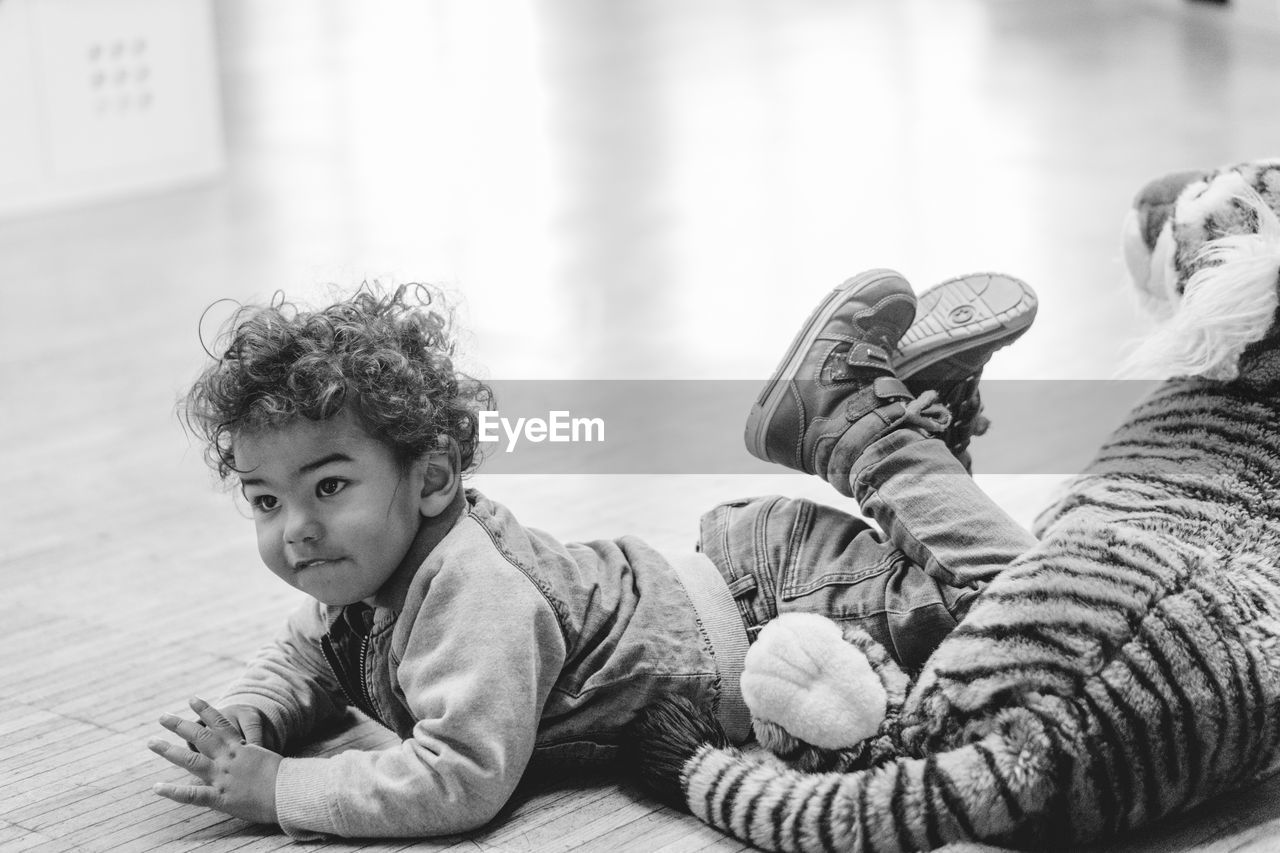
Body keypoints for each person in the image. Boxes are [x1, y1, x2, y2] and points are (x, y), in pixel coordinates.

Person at [148, 271, 1037, 839]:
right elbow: (303, 657)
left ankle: (863, 424)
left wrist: (281, 791)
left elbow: (460, 778)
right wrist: (252, 721)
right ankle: (921, 432)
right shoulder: (359, 579)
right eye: (265, 501)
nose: (294, 527)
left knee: (1025, 621)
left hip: (790, 609)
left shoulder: (470, 592)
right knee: (989, 631)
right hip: (752, 582)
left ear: (430, 478)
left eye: (328, 487)